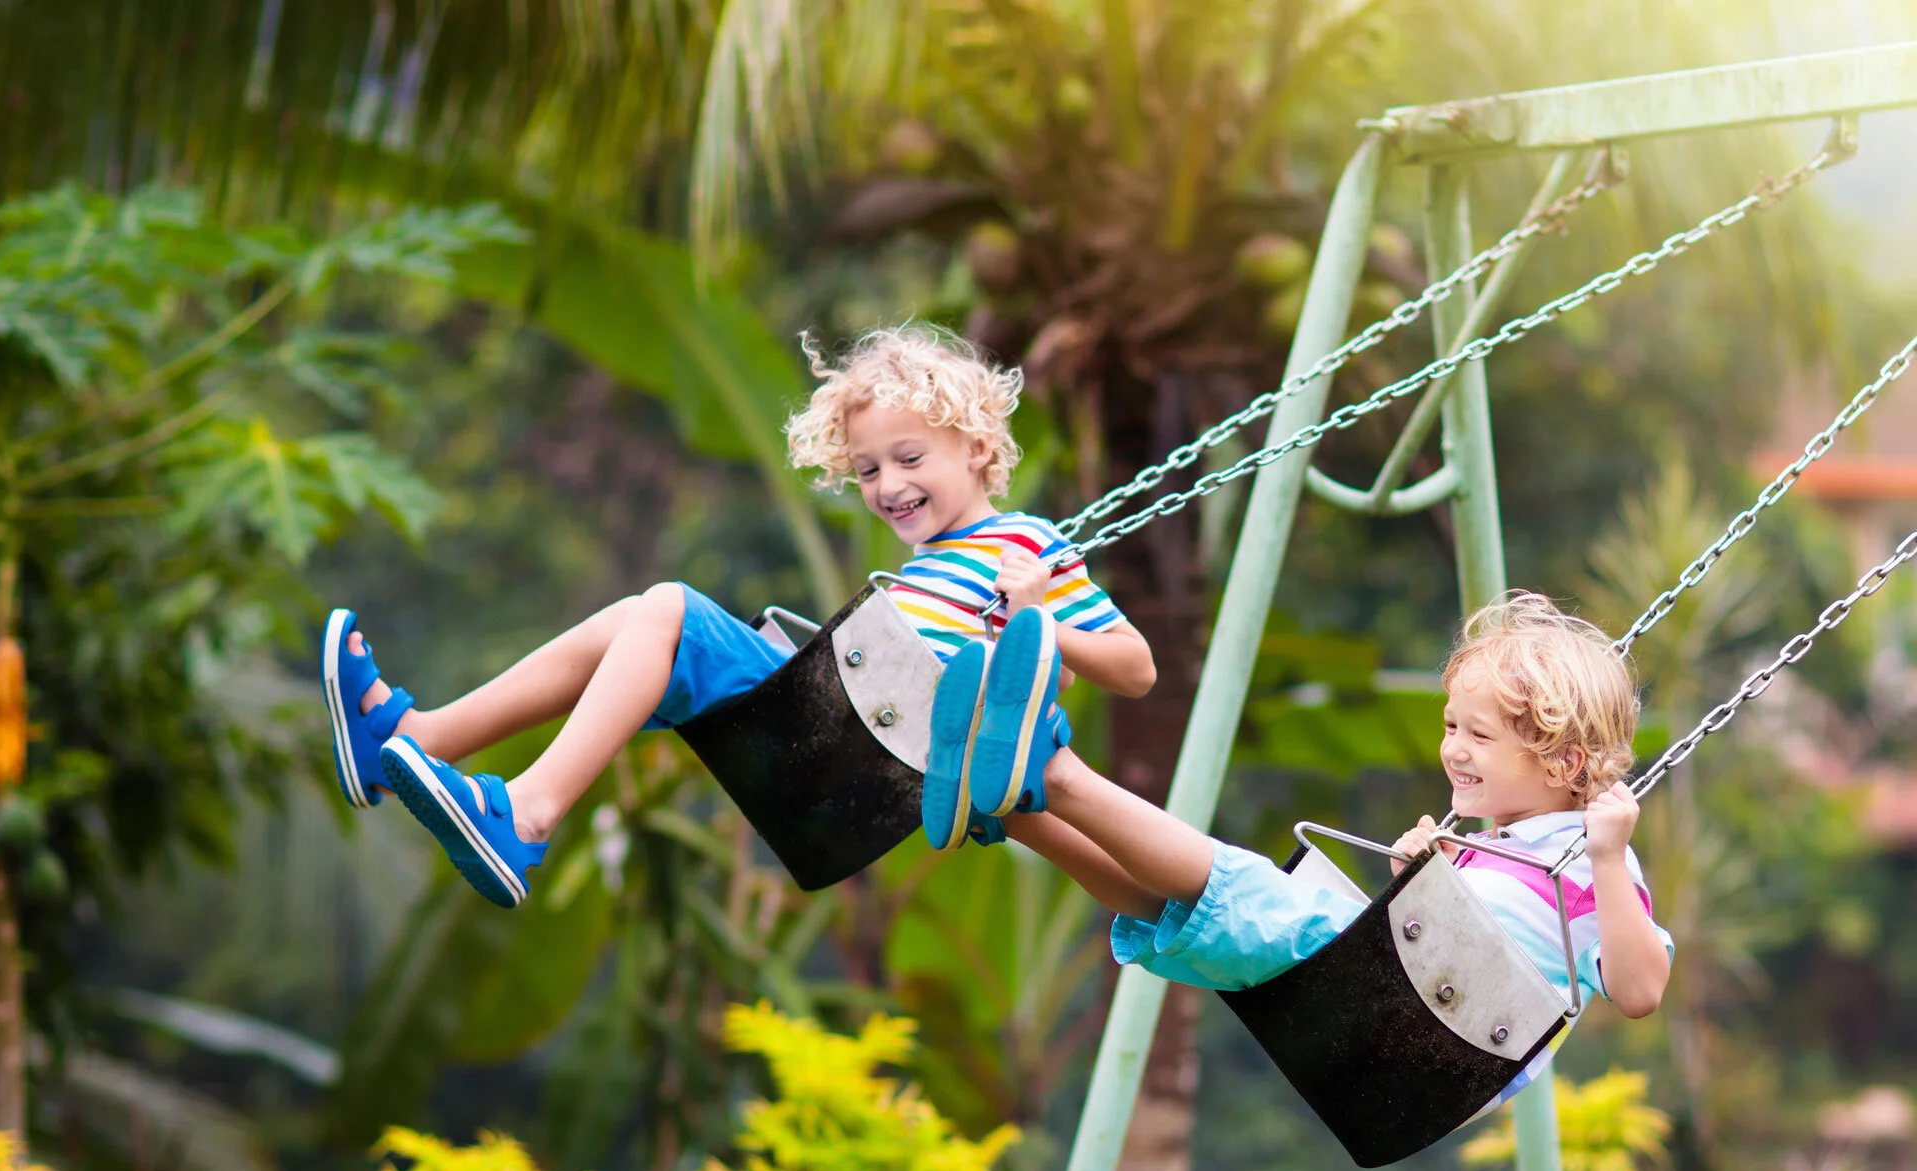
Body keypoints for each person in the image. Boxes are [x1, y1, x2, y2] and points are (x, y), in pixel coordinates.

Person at [320, 323, 1156, 907]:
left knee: (670, 610)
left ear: (976, 448)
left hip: (865, 757)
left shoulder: (1026, 545)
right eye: (866, 470)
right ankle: (416, 741)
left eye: (909, 458)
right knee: (636, 620)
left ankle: (527, 814)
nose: (888, 486)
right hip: (840, 735)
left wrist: (1045, 621)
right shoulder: (925, 571)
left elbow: (1136, 669)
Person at [937, 591, 1672, 1100]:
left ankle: (1053, 770)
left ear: (1565, 764)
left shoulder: (1586, 853)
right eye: (1452, 726)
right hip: (1413, 1013)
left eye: (1480, 736)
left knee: (1245, 884)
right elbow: (1474, 939)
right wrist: (1418, 882)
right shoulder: (1491, 848)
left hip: (1453, 1044)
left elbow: (1639, 990)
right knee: (1176, 904)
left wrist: (1610, 857)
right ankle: (1013, 806)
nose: (1454, 749)